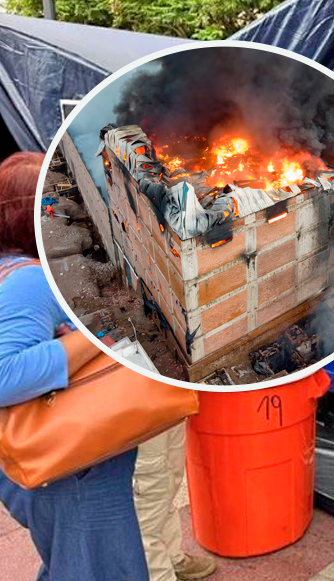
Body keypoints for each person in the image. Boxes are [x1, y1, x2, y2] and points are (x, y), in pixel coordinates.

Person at [0, 152, 150, 581]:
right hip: (76, 468)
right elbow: (4, 374)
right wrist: (98, 334)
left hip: (59, 463)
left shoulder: (11, 269)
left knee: (72, 566)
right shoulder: (30, 280)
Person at [135, 424, 218, 581]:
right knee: (150, 493)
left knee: (167, 486)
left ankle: (173, 559)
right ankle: (160, 576)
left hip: (169, 408)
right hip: (138, 413)